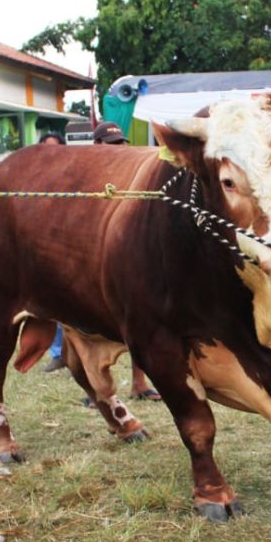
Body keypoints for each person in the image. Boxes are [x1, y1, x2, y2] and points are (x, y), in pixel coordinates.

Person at [91, 121, 161, 399]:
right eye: (111, 146)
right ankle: (94, 385)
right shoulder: (86, 178)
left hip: (128, 257)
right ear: (97, 147)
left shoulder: (134, 177)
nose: (118, 150)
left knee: (138, 317)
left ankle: (139, 382)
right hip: (92, 259)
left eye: (121, 144)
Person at [36, 131, 70, 372]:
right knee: (51, 306)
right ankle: (58, 354)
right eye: (45, 149)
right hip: (43, 252)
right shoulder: (32, 181)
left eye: (55, 150)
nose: (50, 155)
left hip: (71, 252)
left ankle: (76, 356)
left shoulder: (71, 179)